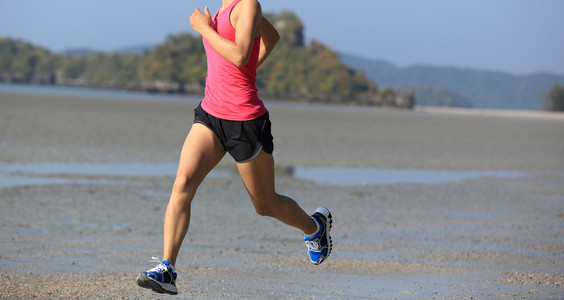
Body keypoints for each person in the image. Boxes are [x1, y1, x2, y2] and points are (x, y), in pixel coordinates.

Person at [136, 0, 332, 295]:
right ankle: (167, 269)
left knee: (265, 204)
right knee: (183, 183)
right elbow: (271, 38)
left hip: (245, 122)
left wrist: (205, 30)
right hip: (211, 114)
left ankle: (314, 228)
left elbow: (241, 55)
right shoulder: (222, 9)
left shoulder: (248, 5)